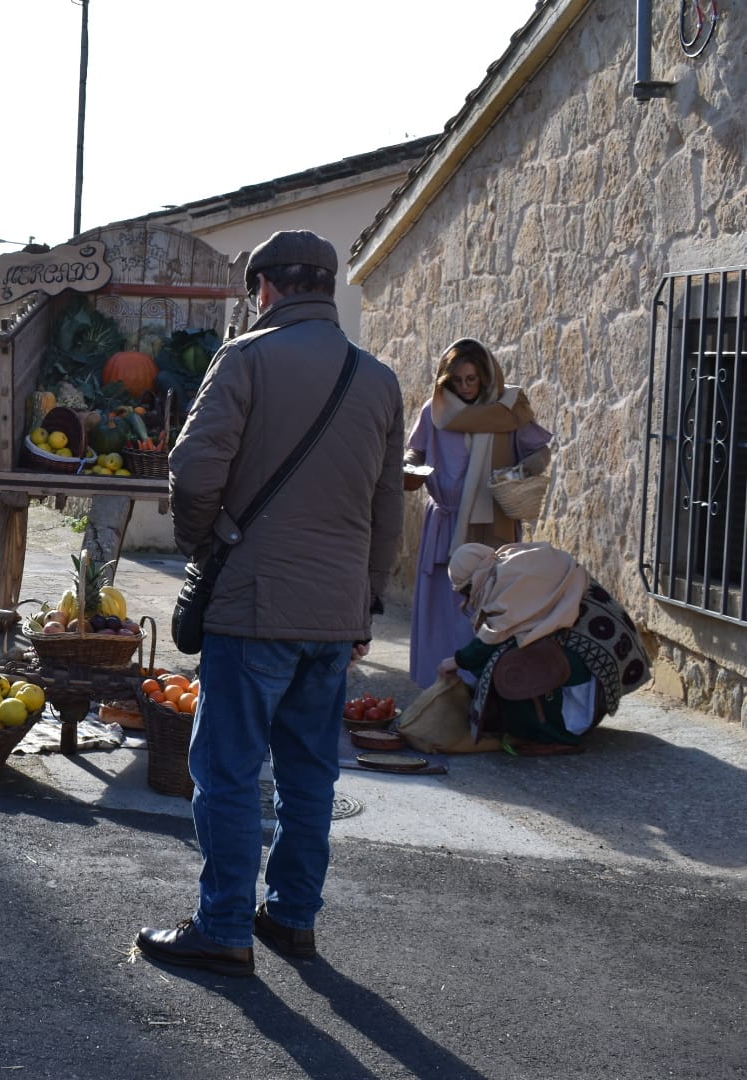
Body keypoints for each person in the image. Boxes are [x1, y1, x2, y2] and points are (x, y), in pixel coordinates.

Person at [138, 230, 404, 975]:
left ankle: (223, 926)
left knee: (226, 770)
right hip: (335, 611)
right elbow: (389, 511)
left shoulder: (246, 359)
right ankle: (291, 918)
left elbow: (192, 475)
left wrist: (204, 546)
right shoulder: (377, 379)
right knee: (309, 773)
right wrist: (367, 600)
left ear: (265, 289)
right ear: (325, 286)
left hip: (254, 605)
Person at [405, 338, 553, 687]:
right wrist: (408, 469)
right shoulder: (435, 410)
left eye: (473, 379)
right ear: (447, 380)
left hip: (493, 527)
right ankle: (436, 689)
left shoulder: (508, 409)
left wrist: (524, 470)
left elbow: (540, 452)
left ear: (486, 377)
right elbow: (416, 452)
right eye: (459, 380)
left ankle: (481, 688)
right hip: (445, 525)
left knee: (484, 608)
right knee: (442, 608)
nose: (467, 387)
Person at [439, 542, 652, 755]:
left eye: (466, 589)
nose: (467, 597)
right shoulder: (512, 564)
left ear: (476, 578)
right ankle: (549, 723)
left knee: (514, 666)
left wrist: (457, 661)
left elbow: (492, 639)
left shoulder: (509, 580)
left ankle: (556, 735)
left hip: (593, 664)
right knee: (510, 652)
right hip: (601, 653)